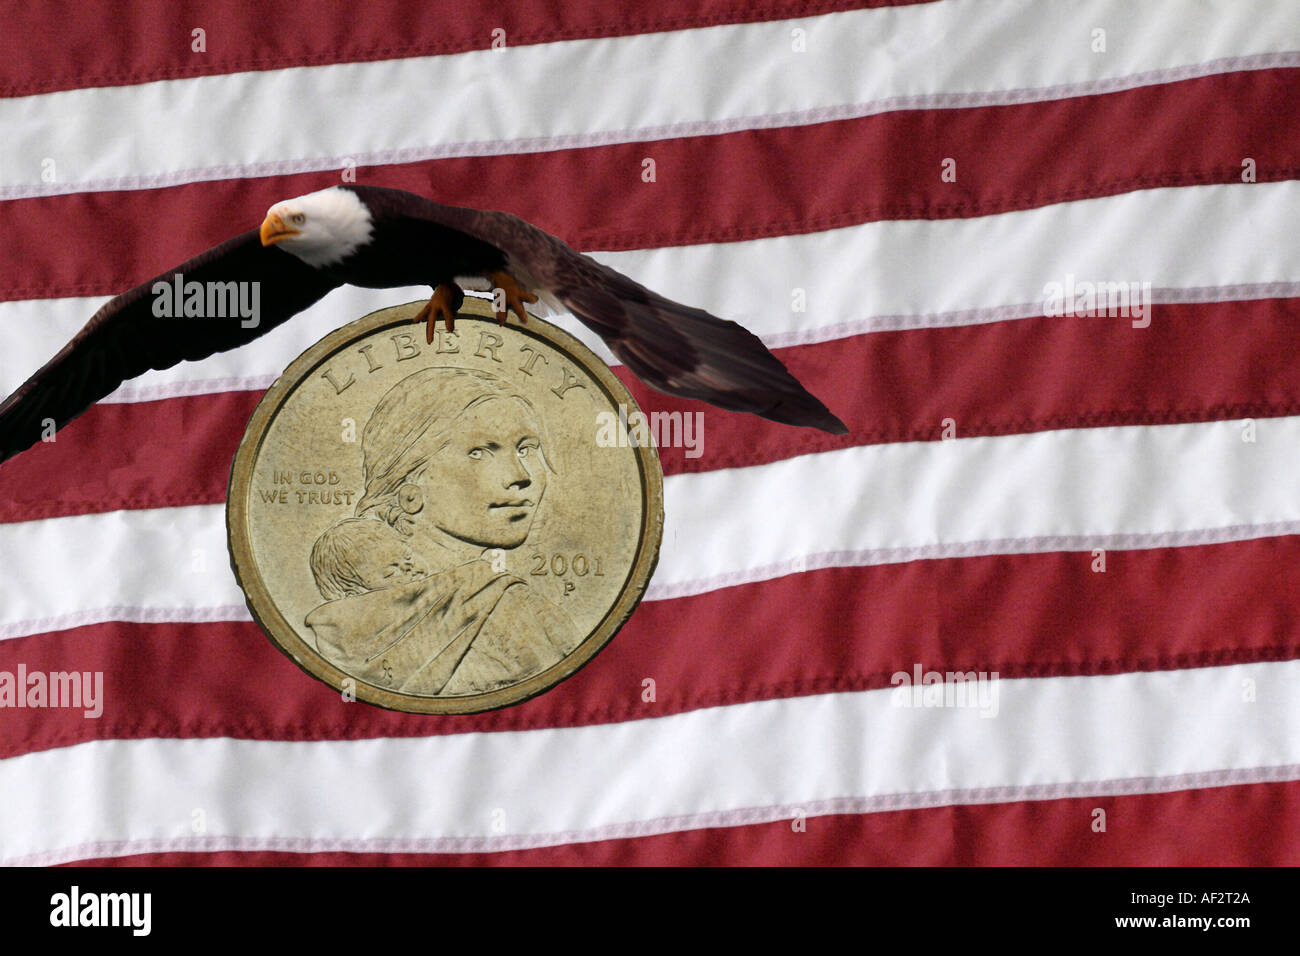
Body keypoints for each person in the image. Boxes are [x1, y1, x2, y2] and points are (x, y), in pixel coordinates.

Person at [304, 366, 581, 696]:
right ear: (411, 488)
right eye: (480, 452)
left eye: (526, 449)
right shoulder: (520, 611)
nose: (521, 475)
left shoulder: (514, 602)